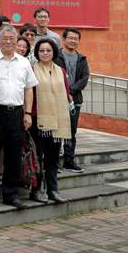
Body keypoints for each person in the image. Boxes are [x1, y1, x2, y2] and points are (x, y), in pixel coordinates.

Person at [0, 26, 37, 209]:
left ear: (17, 41)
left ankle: (11, 193)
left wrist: (28, 113)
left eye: (12, 38)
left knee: (14, 155)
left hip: (17, 112)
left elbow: (29, 88)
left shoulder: (24, 62)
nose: (8, 41)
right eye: (5, 38)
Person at [29, 38, 71, 204]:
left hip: (57, 120)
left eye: (48, 50)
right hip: (38, 120)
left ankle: (53, 189)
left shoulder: (60, 70)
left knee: (52, 159)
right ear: (37, 53)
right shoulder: (32, 69)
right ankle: (36, 190)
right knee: (38, 158)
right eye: (41, 51)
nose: (45, 53)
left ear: (53, 52)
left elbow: (66, 91)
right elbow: (29, 93)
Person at [55, 28, 89, 173]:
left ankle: (69, 161)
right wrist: (63, 91)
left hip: (74, 101)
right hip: (57, 100)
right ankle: (54, 162)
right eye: (70, 38)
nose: (73, 41)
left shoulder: (82, 58)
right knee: (56, 132)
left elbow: (84, 78)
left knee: (71, 131)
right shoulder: (56, 56)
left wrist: (70, 90)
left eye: (76, 38)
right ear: (64, 39)